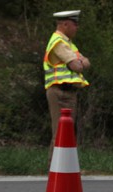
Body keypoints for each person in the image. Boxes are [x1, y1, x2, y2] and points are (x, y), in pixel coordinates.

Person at [44, 10, 90, 162]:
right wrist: (80, 62)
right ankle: (55, 168)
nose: (77, 27)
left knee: (68, 132)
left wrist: (80, 62)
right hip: (59, 92)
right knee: (60, 132)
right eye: (74, 24)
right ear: (65, 24)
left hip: (69, 93)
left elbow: (86, 63)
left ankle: (65, 167)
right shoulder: (58, 42)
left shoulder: (68, 43)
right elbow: (77, 66)